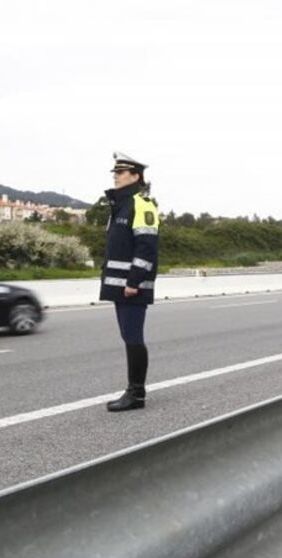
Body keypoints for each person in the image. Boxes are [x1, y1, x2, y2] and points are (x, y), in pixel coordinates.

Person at [99, 152, 160, 411]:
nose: (116, 176)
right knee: (129, 337)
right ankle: (134, 390)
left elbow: (146, 248)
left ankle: (136, 394)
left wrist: (134, 282)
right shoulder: (120, 205)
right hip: (120, 286)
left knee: (134, 337)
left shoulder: (142, 204)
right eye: (115, 172)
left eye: (121, 172)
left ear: (136, 176)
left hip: (132, 287)